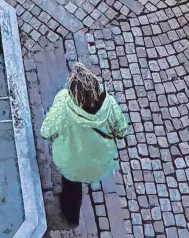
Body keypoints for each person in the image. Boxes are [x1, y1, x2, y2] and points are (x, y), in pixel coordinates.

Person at [39, 63, 128, 229]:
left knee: (72, 188)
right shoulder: (110, 104)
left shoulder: (63, 104)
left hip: (70, 161)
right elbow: (122, 130)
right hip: (99, 161)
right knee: (82, 177)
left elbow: (46, 130)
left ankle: (71, 216)